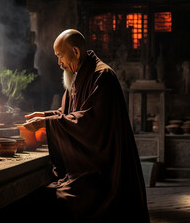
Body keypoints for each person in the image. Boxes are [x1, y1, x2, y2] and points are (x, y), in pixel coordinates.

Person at [24, 29, 150, 222]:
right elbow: (66, 113)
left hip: (103, 174)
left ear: (75, 52)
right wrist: (45, 115)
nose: (59, 63)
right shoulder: (80, 75)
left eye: (60, 56)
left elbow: (89, 121)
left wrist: (46, 123)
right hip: (87, 167)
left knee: (53, 200)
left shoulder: (103, 76)